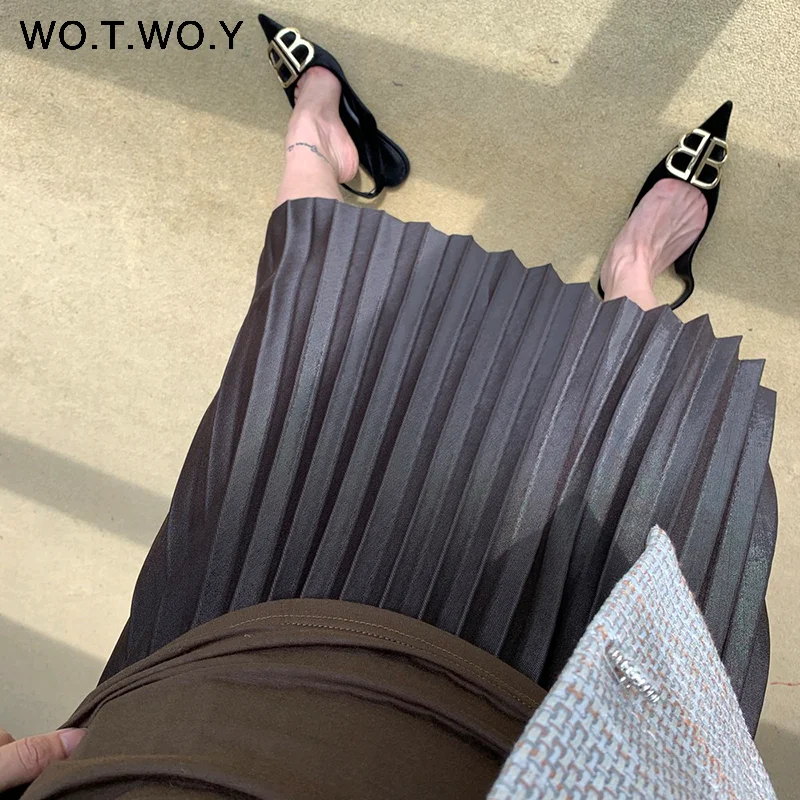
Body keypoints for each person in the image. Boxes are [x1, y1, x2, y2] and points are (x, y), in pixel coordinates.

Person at [3, 14, 777, 800]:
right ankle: (633, 285)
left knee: (303, 379)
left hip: (188, 718)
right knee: (627, 489)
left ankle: (315, 147)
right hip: (507, 743)